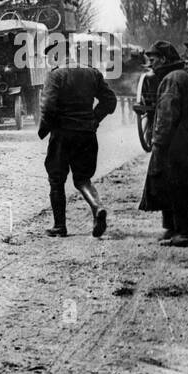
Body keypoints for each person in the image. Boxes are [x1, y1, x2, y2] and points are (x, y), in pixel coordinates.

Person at [137, 40, 188, 246]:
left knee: (176, 185)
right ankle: (171, 228)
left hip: (176, 145)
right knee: (169, 183)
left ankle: (186, 233)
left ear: (164, 59)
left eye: (154, 59)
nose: (151, 64)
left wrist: (158, 143)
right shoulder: (182, 76)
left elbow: (166, 116)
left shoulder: (170, 80)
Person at [37, 46, 118, 237]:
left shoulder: (55, 75)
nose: (49, 62)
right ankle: (97, 207)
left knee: (56, 179)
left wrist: (45, 128)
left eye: (50, 58)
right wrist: (93, 119)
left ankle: (59, 226)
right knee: (82, 179)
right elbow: (110, 101)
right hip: (87, 135)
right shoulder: (92, 73)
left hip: (62, 136)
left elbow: (48, 107)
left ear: (56, 56)